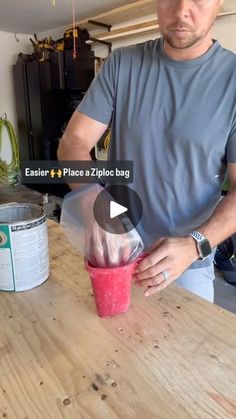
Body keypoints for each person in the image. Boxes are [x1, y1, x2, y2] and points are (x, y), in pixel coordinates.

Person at [58, 0, 236, 303]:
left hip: (187, 264)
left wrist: (195, 245)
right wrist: (94, 203)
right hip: (115, 253)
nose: (181, 11)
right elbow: (73, 143)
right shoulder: (121, 64)